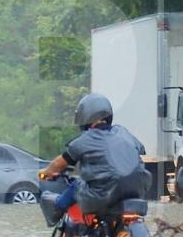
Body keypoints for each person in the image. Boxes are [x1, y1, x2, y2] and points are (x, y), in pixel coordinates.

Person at [40, 93, 150, 224]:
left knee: (77, 185)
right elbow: (141, 150)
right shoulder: (123, 132)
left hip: (103, 196)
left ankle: (58, 208)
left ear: (84, 117)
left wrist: (45, 173)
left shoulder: (83, 140)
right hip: (137, 191)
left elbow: (58, 164)